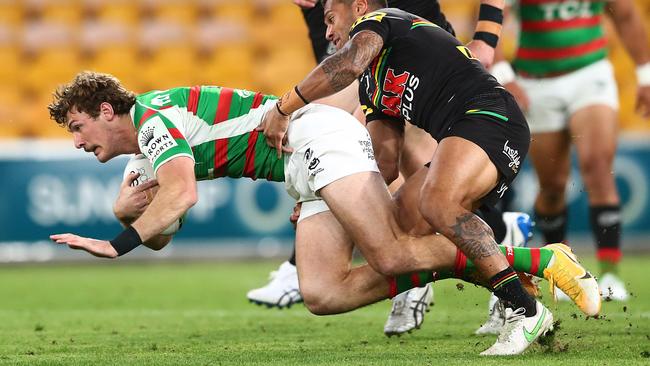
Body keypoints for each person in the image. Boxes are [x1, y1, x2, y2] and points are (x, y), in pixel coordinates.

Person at [48, 71, 599, 356]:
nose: (76, 142)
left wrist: (115, 242)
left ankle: (537, 259)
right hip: (299, 170)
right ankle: (503, 264)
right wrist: (128, 213)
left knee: (389, 251)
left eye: (77, 127)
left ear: (104, 110)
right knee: (323, 293)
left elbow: (182, 196)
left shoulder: (150, 116)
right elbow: (165, 230)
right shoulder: (144, 155)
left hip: (315, 137)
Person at [248, 0, 526, 338]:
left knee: (436, 203)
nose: (328, 33)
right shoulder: (373, 85)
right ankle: (513, 264)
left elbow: (348, 64)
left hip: (490, 118)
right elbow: (383, 164)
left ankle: (525, 308)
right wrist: (329, 198)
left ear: (360, 7)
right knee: (397, 237)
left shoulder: (386, 19)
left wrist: (284, 107)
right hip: (464, 128)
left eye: (331, 20)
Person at [490, 0, 650, 302]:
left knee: (599, 167)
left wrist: (645, 76)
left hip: (590, 74)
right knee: (551, 187)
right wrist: (504, 74)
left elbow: (626, 14)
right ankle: (566, 266)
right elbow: (492, 16)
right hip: (537, 82)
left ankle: (610, 271)